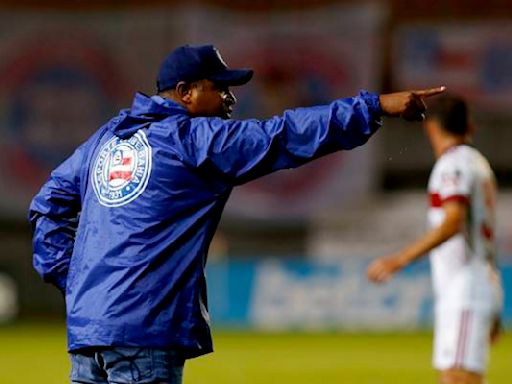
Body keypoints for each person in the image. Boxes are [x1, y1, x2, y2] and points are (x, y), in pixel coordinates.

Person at [29, 44, 444, 384]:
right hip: (143, 333)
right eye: (220, 88)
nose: (230, 98)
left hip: (88, 333)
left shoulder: (106, 139)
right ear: (186, 91)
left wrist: (78, 281)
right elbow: (283, 135)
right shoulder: (193, 140)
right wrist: (373, 107)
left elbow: (47, 205)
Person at [367, 94, 503, 384]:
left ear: (430, 128)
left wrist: (399, 258)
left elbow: (453, 222)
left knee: (458, 378)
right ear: (470, 127)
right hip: (471, 286)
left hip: (466, 288)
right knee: (455, 377)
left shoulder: (454, 165)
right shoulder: (478, 163)